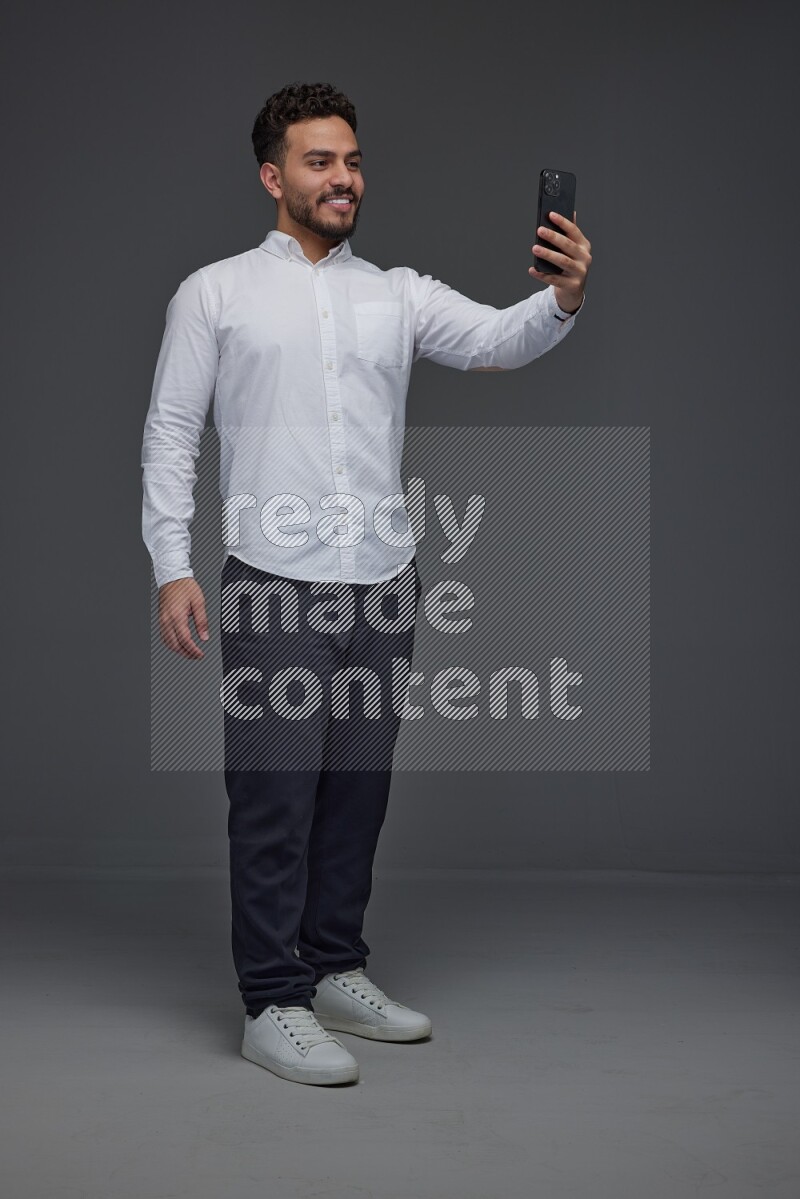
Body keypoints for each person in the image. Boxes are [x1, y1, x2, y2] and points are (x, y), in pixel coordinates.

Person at [141, 81, 591, 1087]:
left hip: (383, 584)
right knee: (273, 798)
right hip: (273, 584)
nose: (342, 177)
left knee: (355, 793)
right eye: (318, 161)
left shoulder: (394, 291)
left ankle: (334, 964)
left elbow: (493, 340)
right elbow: (171, 433)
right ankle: (272, 997)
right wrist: (171, 563)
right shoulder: (213, 293)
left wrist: (559, 298)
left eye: (350, 160)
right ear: (272, 176)